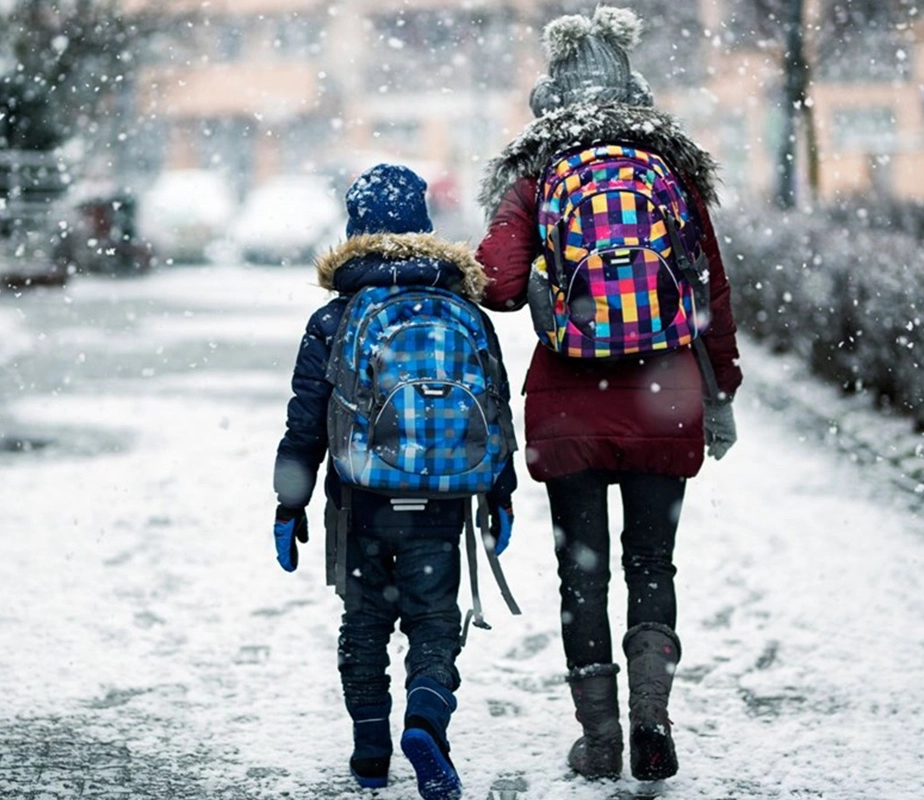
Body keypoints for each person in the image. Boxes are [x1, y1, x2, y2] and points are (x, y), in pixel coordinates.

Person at [473, 5, 743, 784]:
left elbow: (494, 282)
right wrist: (718, 387)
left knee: (582, 574)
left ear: (551, 97)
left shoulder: (538, 174)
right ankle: (653, 716)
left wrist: (539, 273)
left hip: (570, 405)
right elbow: (712, 296)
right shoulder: (671, 173)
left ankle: (599, 739)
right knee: (652, 564)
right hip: (666, 396)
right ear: (634, 90)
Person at [272, 164, 517, 800]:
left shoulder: (336, 317)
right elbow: (495, 408)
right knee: (434, 622)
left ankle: (371, 751)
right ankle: (427, 720)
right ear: (424, 227)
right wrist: (500, 492)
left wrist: (288, 505)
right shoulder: (462, 308)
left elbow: (306, 424)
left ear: (355, 228)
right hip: (441, 501)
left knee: (365, 625)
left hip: (361, 502)